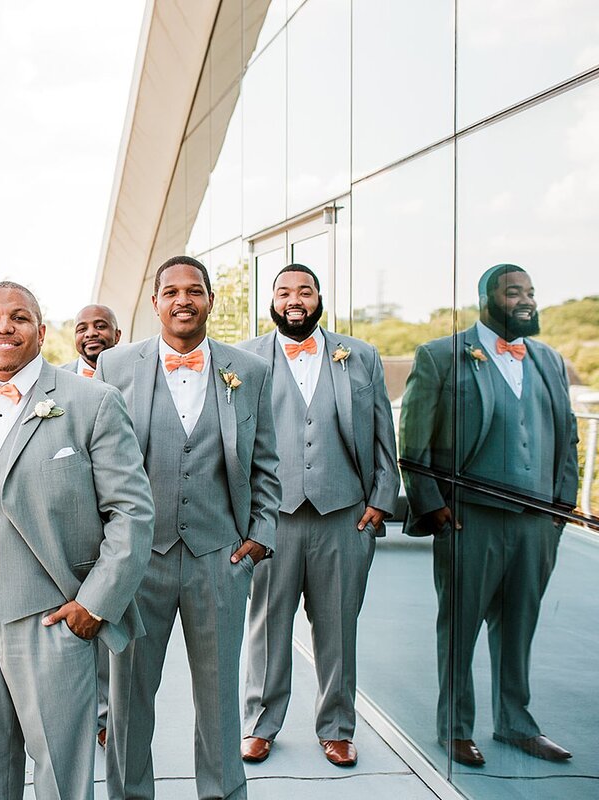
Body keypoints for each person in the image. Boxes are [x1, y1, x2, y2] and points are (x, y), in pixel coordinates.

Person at [0, 281, 153, 800]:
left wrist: (94, 604)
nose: (4, 327)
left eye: (19, 318)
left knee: (61, 776)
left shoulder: (93, 402)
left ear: (41, 332)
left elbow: (132, 513)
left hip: (52, 619)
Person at [97, 255, 281, 800]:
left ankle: (223, 794)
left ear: (209, 300)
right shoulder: (115, 367)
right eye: (171, 291)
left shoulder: (248, 371)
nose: (183, 300)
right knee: (129, 697)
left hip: (218, 558)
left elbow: (268, 461)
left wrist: (260, 534)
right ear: (155, 303)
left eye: (194, 290)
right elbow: (96, 464)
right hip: (138, 561)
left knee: (221, 698)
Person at [400, 264, 577, 767]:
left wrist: (560, 509)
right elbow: (413, 441)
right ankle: (454, 729)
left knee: (520, 627)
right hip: (469, 519)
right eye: (513, 291)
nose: (525, 299)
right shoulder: (440, 356)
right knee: (459, 629)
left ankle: (517, 725)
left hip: (535, 523)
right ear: (486, 298)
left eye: (530, 291)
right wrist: (433, 508)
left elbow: (568, 437)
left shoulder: (549, 359)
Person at [237, 264, 399, 768]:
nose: (294, 299)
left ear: (319, 297)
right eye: (284, 291)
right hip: (272, 517)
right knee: (267, 625)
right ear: (272, 300)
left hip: (342, 514)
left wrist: (380, 500)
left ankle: (337, 728)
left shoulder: (361, 356)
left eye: (304, 290)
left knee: (337, 628)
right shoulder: (244, 357)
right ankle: (260, 724)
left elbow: (381, 435)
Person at [62, 302, 123, 749]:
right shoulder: (54, 384)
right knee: (70, 628)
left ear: (116, 336)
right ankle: (79, 714)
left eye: (101, 326)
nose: (91, 333)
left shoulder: (137, 377)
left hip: (121, 526)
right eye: (82, 327)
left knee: (110, 623)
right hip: (72, 529)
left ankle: (110, 719)